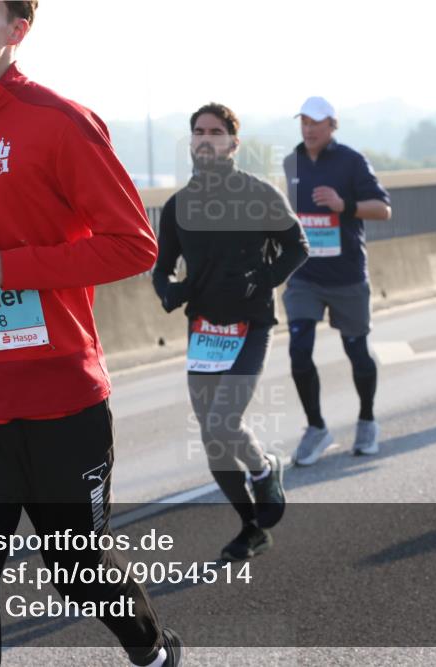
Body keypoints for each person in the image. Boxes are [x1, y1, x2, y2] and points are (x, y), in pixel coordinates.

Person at [0, 2, 180, 665]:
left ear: (19, 29)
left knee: (75, 563)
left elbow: (135, 245)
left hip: (60, 401)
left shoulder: (61, 123)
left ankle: (150, 647)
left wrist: (12, 269)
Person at [153, 103, 309, 561]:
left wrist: (261, 279)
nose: (206, 138)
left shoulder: (258, 194)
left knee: (224, 421)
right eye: (198, 131)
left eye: (216, 132)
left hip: (251, 325)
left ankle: (264, 469)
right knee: (212, 439)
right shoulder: (180, 205)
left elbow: (296, 248)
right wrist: (169, 291)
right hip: (203, 329)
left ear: (233, 143)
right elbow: (161, 268)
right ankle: (250, 528)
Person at [282, 96, 392, 466]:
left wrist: (343, 205)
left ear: (332, 125)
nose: (308, 128)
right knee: (298, 350)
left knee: (357, 352)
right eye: (304, 122)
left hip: (346, 276)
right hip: (304, 276)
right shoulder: (291, 162)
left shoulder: (352, 161)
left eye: (316, 122)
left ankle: (367, 420)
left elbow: (383, 209)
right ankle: (316, 428)